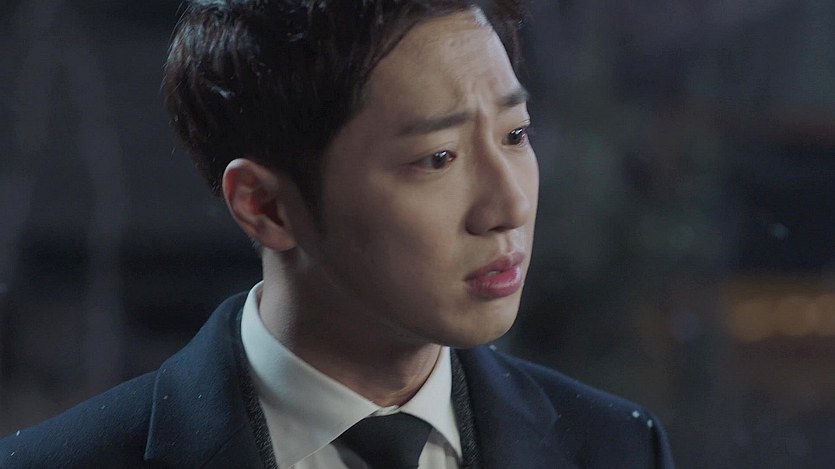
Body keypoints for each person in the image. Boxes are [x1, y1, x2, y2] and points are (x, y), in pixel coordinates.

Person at [0, 0, 675, 467]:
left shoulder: (616, 448)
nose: (509, 204)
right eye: (438, 157)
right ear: (265, 206)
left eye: (515, 134)